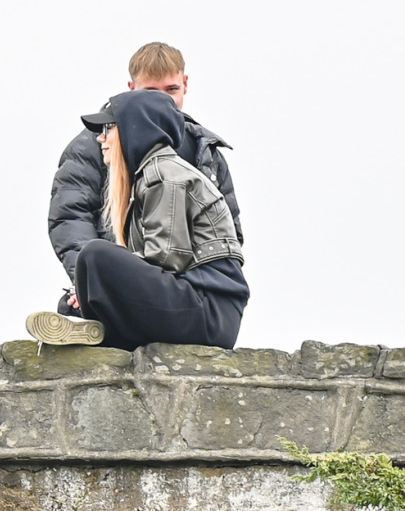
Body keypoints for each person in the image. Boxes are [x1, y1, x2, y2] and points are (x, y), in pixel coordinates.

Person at [27, 89, 249, 350]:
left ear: (134, 130)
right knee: (78, 294)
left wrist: (107, 283)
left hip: (209, 313)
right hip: (194, 307)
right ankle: (93, 326)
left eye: (108, 129)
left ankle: (100, 326)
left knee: (95, 256)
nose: (100, 138)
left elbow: (166, 261)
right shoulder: (147, 177)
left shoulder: (164, 174)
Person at [47, 42, 242, 316]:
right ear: (131, 88)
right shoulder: (96, 145)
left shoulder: (204, 151)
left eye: (171, 90)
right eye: (150, 92)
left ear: (185, 84)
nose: (162, 101)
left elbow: (230, 233)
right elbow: (70, 217)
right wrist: (91, 281)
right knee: (70, 307)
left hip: (184, 286)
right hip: (127, 276)